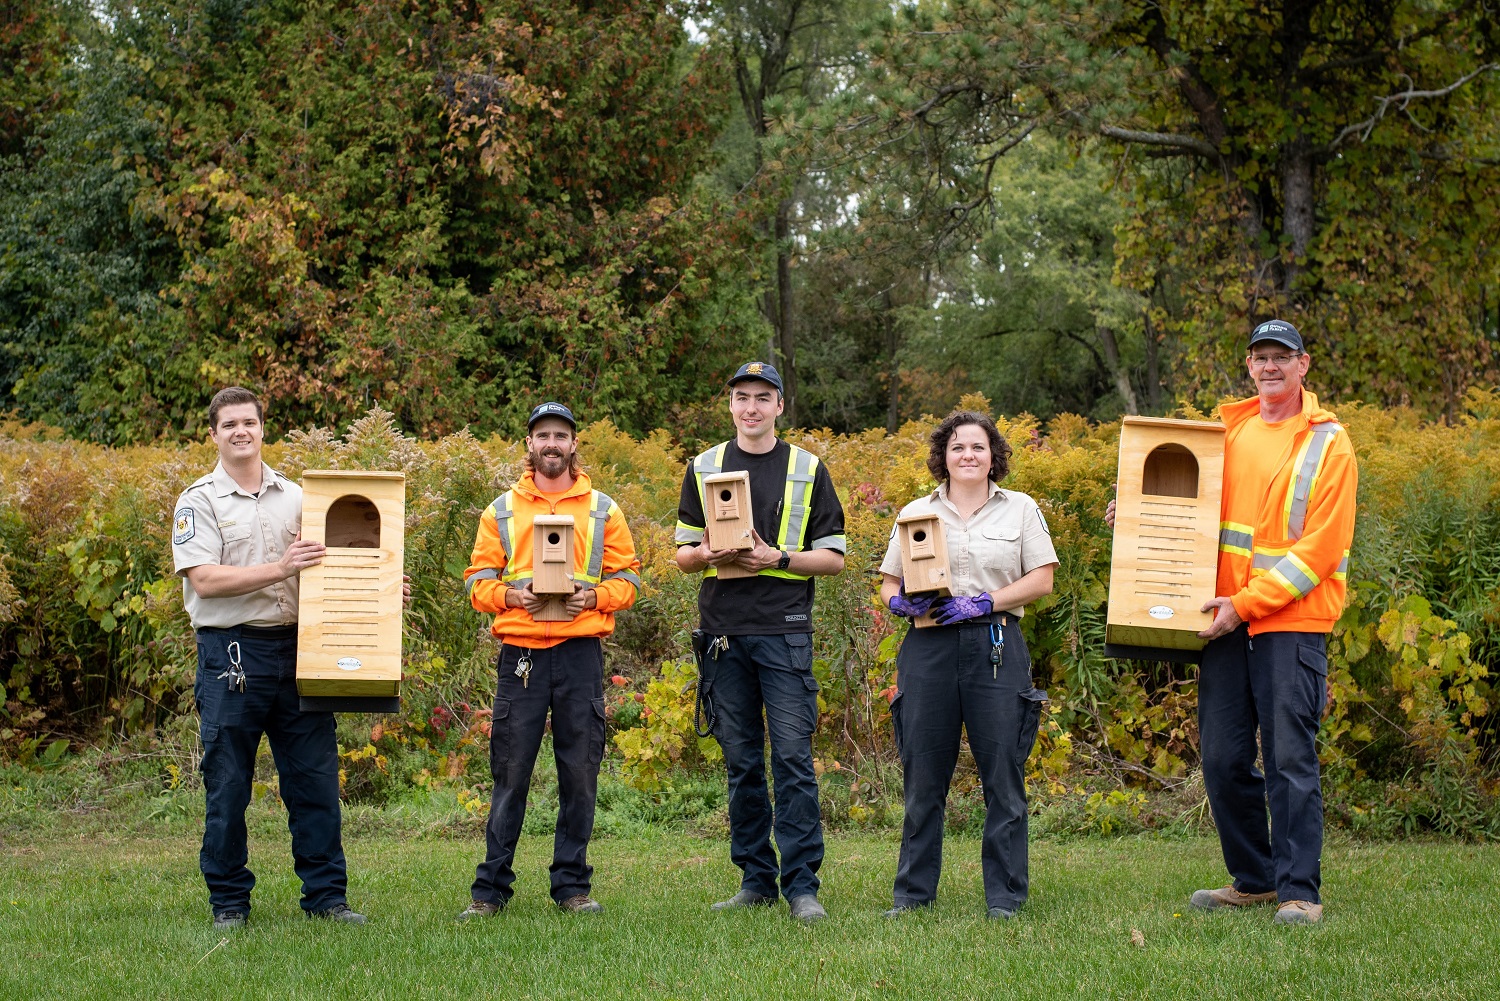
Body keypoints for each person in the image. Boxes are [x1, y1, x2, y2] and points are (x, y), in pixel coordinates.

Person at [1106, 319, 1357, 925]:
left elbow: (1320, 551)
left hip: (1289, 623)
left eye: (1281, 357)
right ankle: (1256, 878)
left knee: (1291, 759)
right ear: (1249, 366)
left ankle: (1300, 891)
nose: (1269, 367)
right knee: (1221, 760)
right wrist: (1138, 515)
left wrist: (1243, 606)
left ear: (1304, 365)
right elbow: (1189, 513)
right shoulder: (1229, 432)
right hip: (1219, 621)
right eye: (1259, 357)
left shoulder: (1330, 444)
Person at [172, 386, 365, 929]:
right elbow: (205, 581)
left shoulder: (300, 497)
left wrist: (373, 587)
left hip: (299, 652)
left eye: (249, 422)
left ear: (262, 428)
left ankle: (327, 899)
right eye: (229, 424)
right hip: (231, 654)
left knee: (315, 782)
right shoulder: (199, 501)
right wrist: (281, 568)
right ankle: (230, 902)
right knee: (229, 784)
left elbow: (335, 562)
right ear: (213, 434)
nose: (241, 432)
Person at [674, 362, 846, 923]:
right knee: (742, 762)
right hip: (723, 635)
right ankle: (755, 878)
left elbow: (835, 558)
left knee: (793, 759)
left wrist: (777, 557)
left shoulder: (807, 468)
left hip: (785, 633)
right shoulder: (704, 466)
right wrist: (707, 554)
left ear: (779, 406)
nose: (751, 407)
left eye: (762, 398)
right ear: (731, 406)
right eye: (741, 398)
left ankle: (802, 887)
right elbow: (682, 555)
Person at [460, 402, 641, 917]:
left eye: (561, 435)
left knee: (580, 773)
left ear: (574, 443)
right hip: (520, 656)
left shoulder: (603, 509)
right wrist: (512, 598)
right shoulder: (500, 510)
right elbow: (476, 581)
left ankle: (571, 887)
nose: (552, 444)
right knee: (510, 772)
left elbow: (628, 579)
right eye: (543, 435)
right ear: (529, 445)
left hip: (581, 652)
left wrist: (597, 597)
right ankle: (489, 891)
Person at [877, 410, 1058, 919]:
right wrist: (897, 604)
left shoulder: (1020, 509)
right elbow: (890, 580)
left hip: (995, 644)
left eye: (978, 447)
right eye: (958, 448)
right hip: (927, 649)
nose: (968, 456)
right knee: (923, 777)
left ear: (993, 455)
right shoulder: (916, 510)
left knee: (1002, 775)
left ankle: (1004, 897)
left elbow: (1042, 578)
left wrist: (987, 601)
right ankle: (912, 896)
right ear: (944, 457)